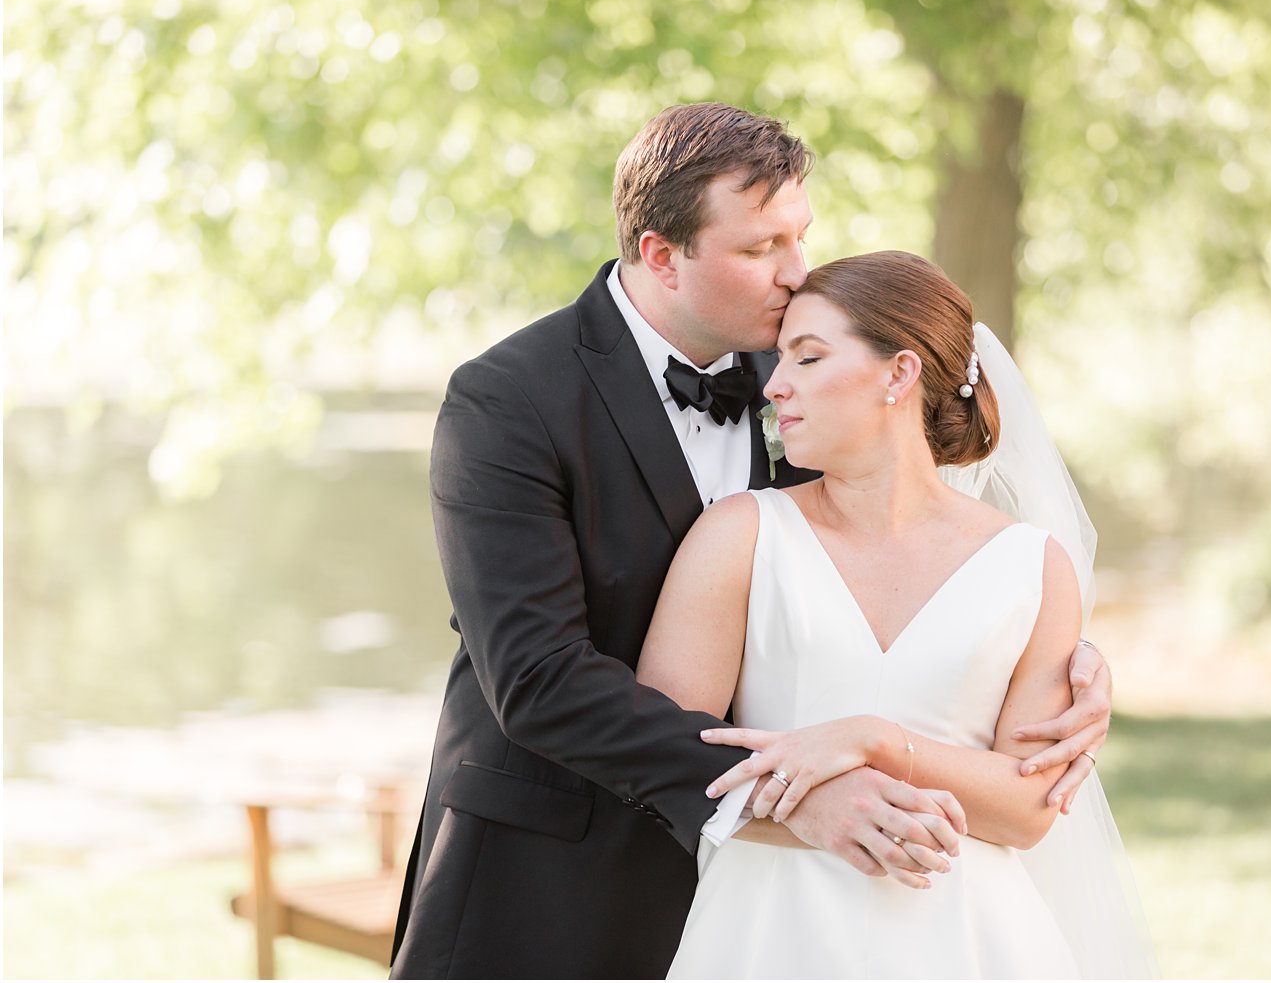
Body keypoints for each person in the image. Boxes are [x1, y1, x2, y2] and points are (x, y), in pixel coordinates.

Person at [391, 104, 1116, 978]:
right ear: (662, 255)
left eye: (799, 237)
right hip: (558, 871)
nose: (795, 272)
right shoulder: (509, 400)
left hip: (787, 894)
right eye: (760, 249)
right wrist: (802, 800)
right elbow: (538, 678)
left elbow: (922, 558)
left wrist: (1056, 665)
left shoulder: (806, 374)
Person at [638, 251, 1155, 978]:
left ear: (898, 373)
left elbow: (1028, 804)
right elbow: (662, 754)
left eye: (808, 357)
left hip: (969, 942)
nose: (775, 385)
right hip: (769, 933)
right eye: (778, 359)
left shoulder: (1032, 566)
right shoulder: (741, 534)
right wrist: (810, 804)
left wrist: (877, 740)